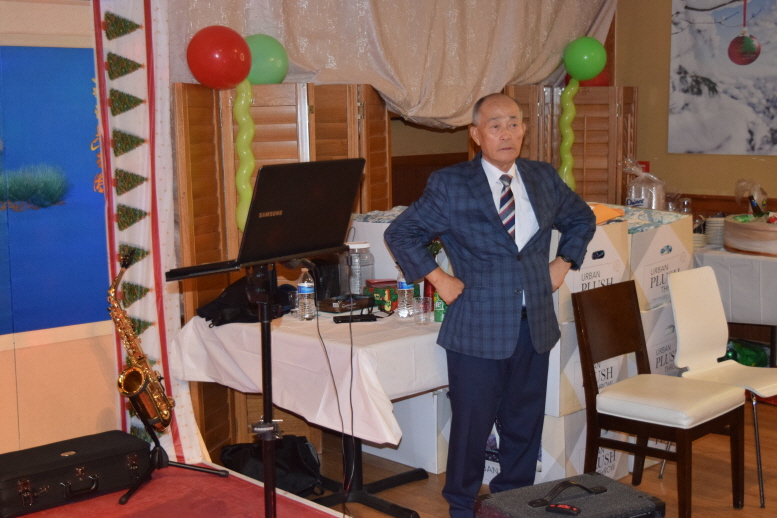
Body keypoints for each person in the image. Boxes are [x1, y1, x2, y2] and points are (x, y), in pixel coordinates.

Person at [384, 93, 596, 517]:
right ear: (476, 134)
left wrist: (563, 263)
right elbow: (401, 234)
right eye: (495, 125)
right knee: (471, 430)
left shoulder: (542, 177)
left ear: (524, 130)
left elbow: (581, 218)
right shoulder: (451, 184)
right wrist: (440, 279)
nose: (506, 133)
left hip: (534, 325)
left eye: (514, 123)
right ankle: (462, 507)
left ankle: (512, 505)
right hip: (477, 328)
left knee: (523, 427)